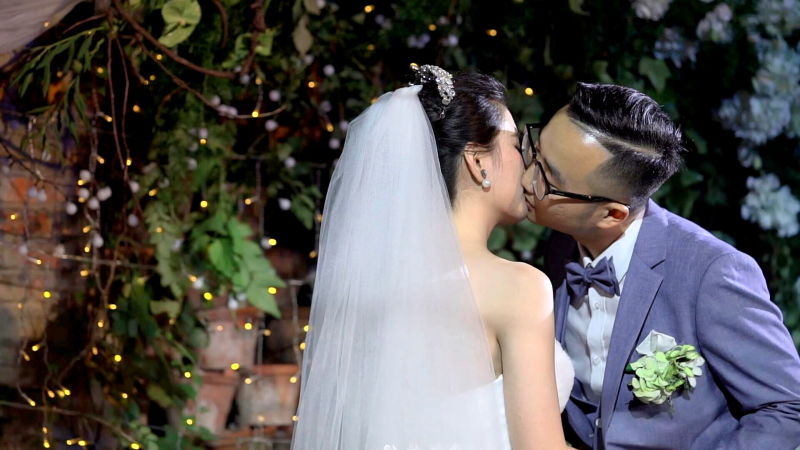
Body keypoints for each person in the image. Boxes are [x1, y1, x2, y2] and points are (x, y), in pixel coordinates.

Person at [291, 65, 574, 449]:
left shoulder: (367, 284)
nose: (527, 160)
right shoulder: (518, 288)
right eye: (515, 144)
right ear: (478, 161)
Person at [522, 82, 800, 449]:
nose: (526, 180)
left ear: (611, 214)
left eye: (547, 179)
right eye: (534, 154)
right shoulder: (561, 245)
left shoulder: (711, 272)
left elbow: (788, 408)